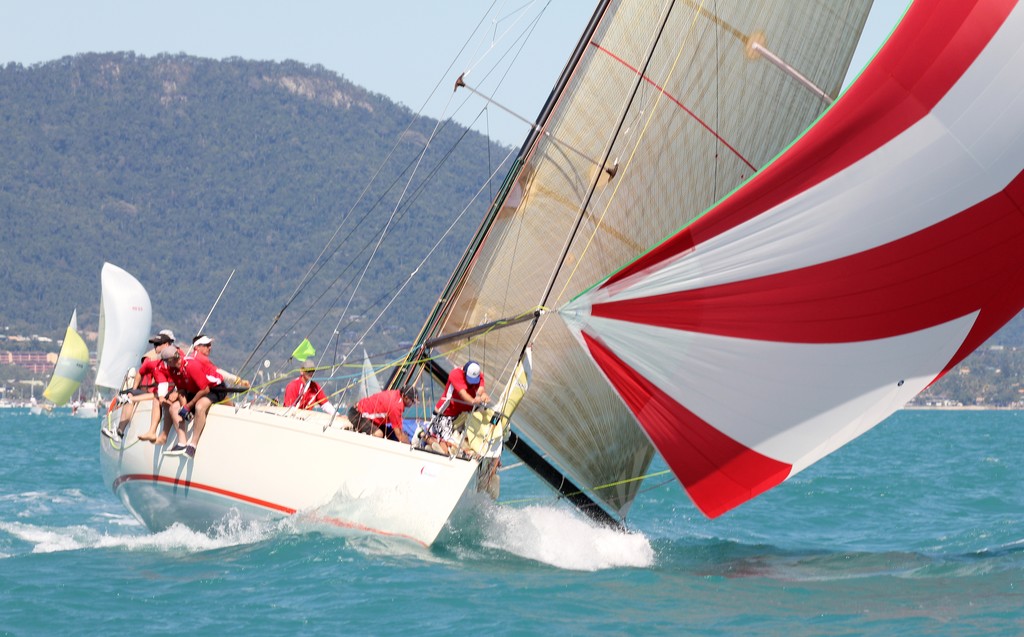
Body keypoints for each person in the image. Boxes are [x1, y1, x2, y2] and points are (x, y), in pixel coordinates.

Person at [169, 335, 247, 458]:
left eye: (209, 345)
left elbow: (213, 377)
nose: (209, 348)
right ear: (197, 347)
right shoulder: (196, 359)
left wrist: (188, 406)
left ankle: (192, 445)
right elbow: (218, 373)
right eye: (206, 345)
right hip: (208, 388)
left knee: (201, 405)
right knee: (183, 406)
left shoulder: (195, 358)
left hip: (213, 387)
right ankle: (182, 442)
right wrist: (237, 380)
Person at [425, 360, 490, 454]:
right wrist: (473, 401)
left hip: (459, 415)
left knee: (467, 437)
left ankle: (432, 444)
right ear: (464, 372)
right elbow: (463, 394)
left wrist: (483, 395)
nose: (472, 383)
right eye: (470, 380)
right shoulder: (455, 374)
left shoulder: (478, 375)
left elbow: (480, 389)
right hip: (443, 414)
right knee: (447, 443)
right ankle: (427, 438)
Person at [347, 386, 417, 444]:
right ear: (406, 398)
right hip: (358, 414)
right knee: (378, 434)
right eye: (412, 401)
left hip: (369, 418)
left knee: (392, 435)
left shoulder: (397, 394)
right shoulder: (396, 406)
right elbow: (400, 435)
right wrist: (409, 445)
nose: (413, 404)